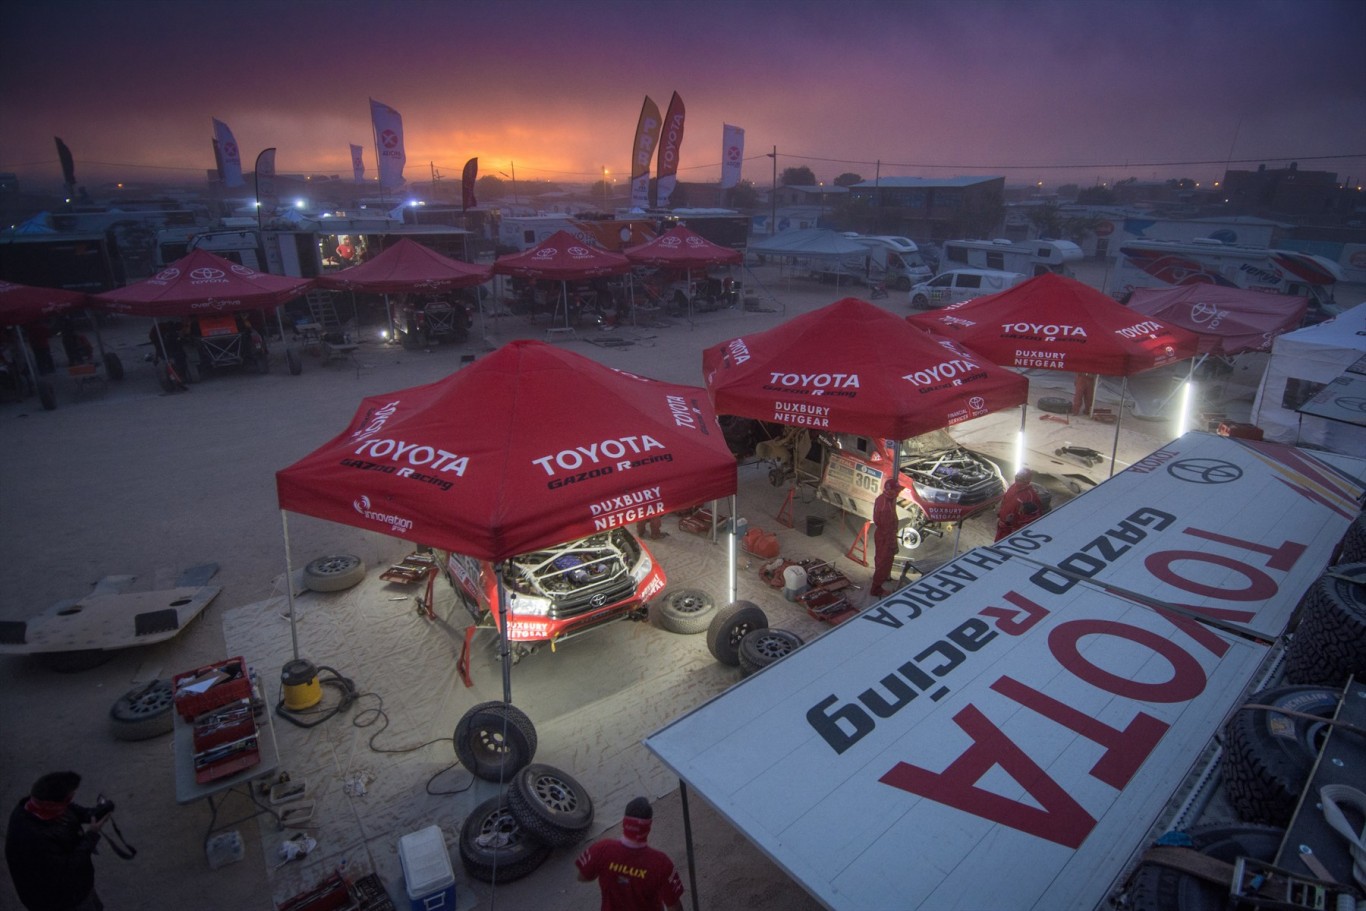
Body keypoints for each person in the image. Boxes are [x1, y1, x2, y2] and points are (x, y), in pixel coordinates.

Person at [5, 770, 110, 911]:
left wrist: (98, 812)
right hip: (61, 901)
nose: (71, 801)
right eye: (69, 798)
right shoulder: (33, 838)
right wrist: (91, 835)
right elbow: (68, 867)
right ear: (56, 803)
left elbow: (75, 811)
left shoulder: (41, 804)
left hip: (80, 888)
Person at [576, 796, 684, 911]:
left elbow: (583, 877)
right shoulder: (661, 863)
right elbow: (674, 907)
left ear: (624, 822)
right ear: (648, 826)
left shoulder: (601, 849)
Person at [870, 478, 901, 597]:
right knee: (884, 562)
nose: (898, 493)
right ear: (891, 491)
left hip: (880, 534)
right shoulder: (886, 508)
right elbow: (889, 531)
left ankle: (878, 580)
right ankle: (876, 588)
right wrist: (894, 545)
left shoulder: (882, 499)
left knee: (879, 559)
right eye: (896, 491)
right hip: (885, 538)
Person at [996, 468, 1044, 542]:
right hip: (1003, 526)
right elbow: (1005, 500)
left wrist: (1012, 523)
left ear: (1026, 480)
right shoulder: (1013, 487)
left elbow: (1033, 517)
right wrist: (1000, 514)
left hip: (1012, 531)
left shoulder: (1030, 496)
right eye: (1017, 477)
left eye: (1020, 478)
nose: (1017, 479)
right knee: (996, 544)